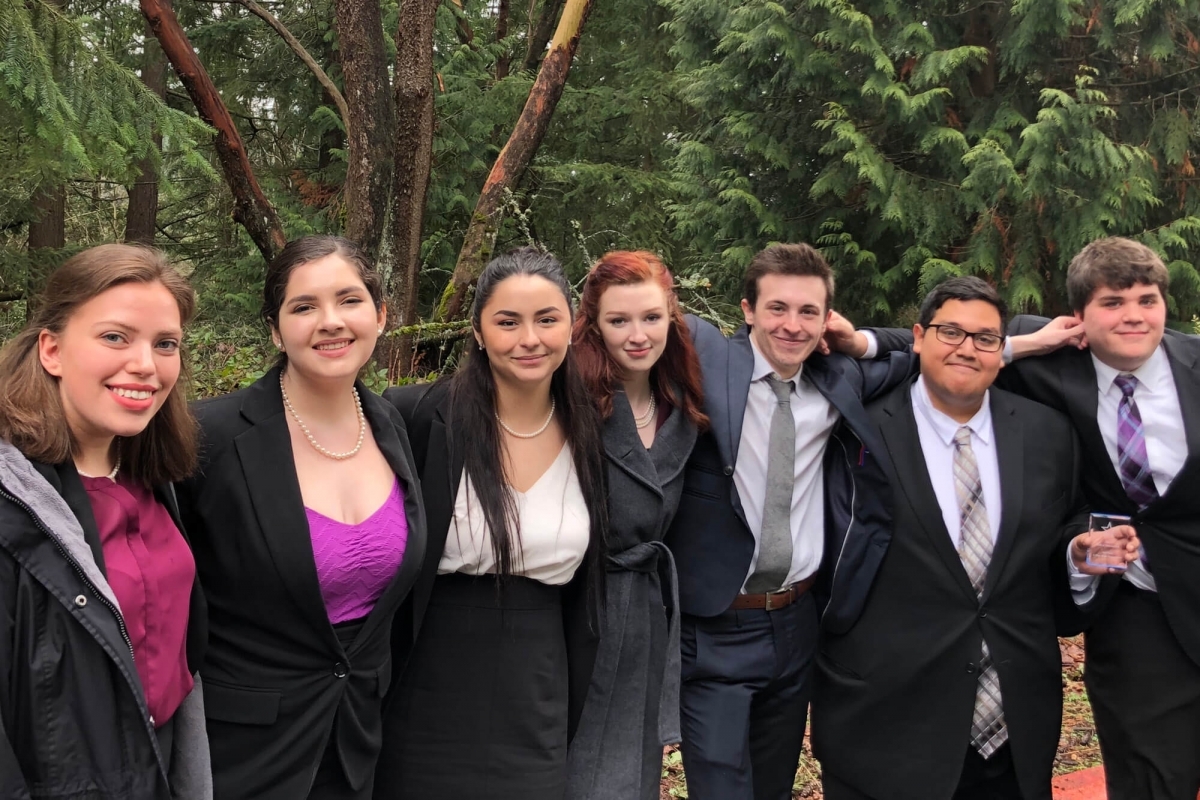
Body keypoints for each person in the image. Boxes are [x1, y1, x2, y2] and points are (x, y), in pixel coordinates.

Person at [855, 238, 1200, 799]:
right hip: (1138, 616)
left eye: (1147, 299)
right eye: (1113, 302)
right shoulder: (1046, 372)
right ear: (1079, 320)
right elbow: (952, 352)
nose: (1134, 315)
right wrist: (866, 340)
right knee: (1151, 780)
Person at [811, 276, 1139, 800]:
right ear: (917, 337)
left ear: (1000, 350)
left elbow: (1067, 524)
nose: (968, 348)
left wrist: (1079, 553)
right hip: (884, 723)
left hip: (1013, 729)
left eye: (985, 338)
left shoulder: (1048, 434)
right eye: (951, 333)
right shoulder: (856, 430)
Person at [176, 236, 427, 800]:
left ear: (381, 315)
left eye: (349, 300)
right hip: (240, 753)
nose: (330, 322)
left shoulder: (391, 426)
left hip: (356, 741)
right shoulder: (209, 437)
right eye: (304, 306)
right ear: (274, 328)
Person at [664, 243, 916, 800]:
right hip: (713, 628)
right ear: (747, 310)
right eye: (777, 308)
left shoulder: (838, 380)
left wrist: (864, 340)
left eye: (809, 312)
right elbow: (635, 314)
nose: (793, 326)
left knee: (774, 787)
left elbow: (928, 350)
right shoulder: (707, 362)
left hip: (796, 624)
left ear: (828, 318)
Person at [375, 247, 609, 800]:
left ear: (570, 327)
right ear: (478, 332)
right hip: (424, 679)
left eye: (547, 319)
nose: (529, 338)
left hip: (538, 689)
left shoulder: (596, 434)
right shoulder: (414, 416)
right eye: (507, 321)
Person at [0, 244, 210, 799]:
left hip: (161, 765)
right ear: (52, 350)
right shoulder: (11, 503)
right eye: (115, 337)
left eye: (165, 344)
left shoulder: (154, 475)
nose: (146, 364)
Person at [565, 250, 708, 800]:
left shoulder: (681, 402)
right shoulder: (572, 399)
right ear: (594, 325)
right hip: (580, 605)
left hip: (648, 611)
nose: (637, 335)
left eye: (651, 318)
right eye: (618, 320)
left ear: (672, 315)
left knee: (631, 770)